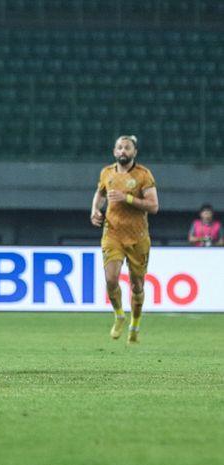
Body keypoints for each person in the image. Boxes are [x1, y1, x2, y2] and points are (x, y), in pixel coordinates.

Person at [90, 135, 159, 344]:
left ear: (134, 153)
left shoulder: (143, 175)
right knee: (111, 279)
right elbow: (100, 193)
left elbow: (154, 206)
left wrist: (126, 198)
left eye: (127, 148)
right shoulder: (106, 173)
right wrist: (94, 210)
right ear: (114, 151)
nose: (123, 151)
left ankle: (135, 324)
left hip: (138, 237)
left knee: (137, 285)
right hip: (113, 234)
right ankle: (119, 314)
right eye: (119, 148)